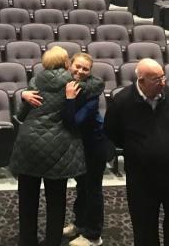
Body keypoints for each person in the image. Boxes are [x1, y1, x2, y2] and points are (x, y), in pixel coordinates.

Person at [11, 47, 103, 246]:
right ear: (67, 64)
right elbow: (96, 85)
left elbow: (20, 115)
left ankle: (27, 241)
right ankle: (52, 241)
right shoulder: (74, 85)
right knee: (56, 201)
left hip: (29, 145)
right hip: (58, 148)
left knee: (27, 198)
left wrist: (23, 95)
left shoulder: (35, 81)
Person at [104, 58, 169, 246]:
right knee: (144, 226)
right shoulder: (122, 101)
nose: (163, 83)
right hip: (141, 178)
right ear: (141, 81)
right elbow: (111, 131)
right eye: (156, 80)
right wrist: (138, 148)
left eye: (163, 77)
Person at [62, 53, 108, 246]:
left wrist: (70, 99)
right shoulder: (67, 85)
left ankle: (93, 235)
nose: (80, 71)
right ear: (69, 66)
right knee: (81, 187)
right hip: (79, 146)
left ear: (90, 72)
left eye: (85, 69)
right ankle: (80, 224)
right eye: (77, 66)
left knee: (92, 190)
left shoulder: (91, 93)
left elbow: (76, 122)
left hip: (94, 146)